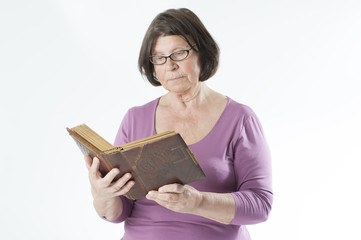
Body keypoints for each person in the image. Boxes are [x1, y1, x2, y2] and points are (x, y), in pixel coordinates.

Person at [84, 8, 272, 240]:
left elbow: (260, 205)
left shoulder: (240, 119)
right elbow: (117, 212)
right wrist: (102, 193)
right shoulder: (135, 119)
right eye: (159, 58)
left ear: (203, 52)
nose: (170, 65)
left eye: (179, 53)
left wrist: (197, 202)